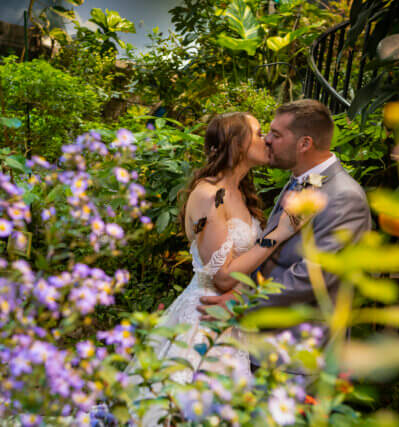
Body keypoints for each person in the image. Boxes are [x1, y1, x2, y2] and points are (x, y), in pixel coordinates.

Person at [127, 112, 298, 425]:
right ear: (237, 143)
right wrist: (281, 232)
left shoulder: (239, 194)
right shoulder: (208, 195)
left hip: (231, 319)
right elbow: (222, 276)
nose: (266, 140)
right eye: (258, 133)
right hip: (205, 317)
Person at [198, 100, 372, 322]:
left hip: (298, 341)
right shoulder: (300, 180)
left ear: (304, 144)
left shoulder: (344, 196)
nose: (267, 140)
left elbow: (313, 275)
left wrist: (243, 299)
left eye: (276, 135)